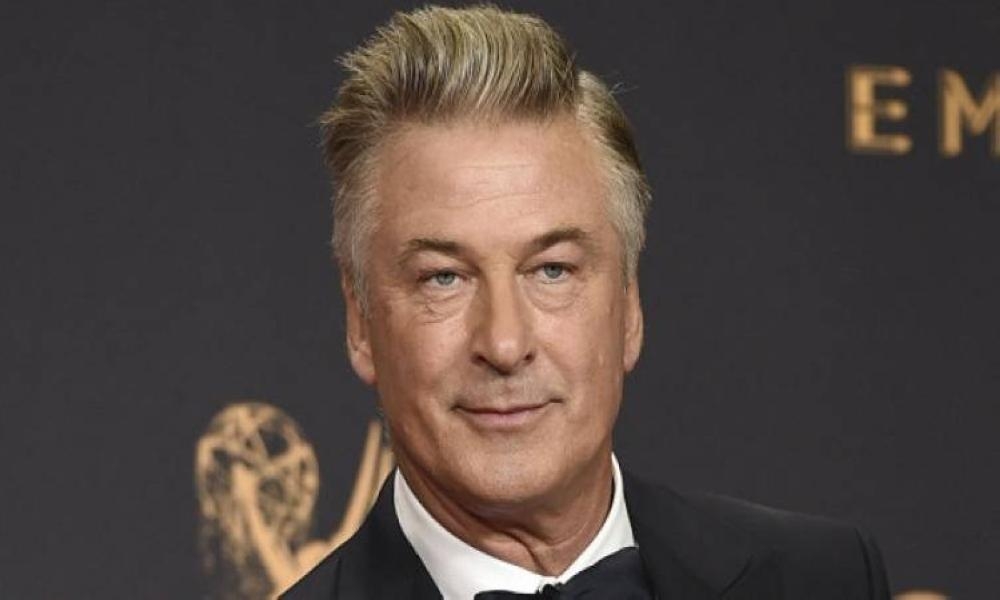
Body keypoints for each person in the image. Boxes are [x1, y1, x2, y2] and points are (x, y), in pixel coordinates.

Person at [282, 5, 890, 599]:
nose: (504, 344)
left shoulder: (824, 579)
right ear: (360, 320)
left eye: (552, 270)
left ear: (629, 305)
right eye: (444, 278)